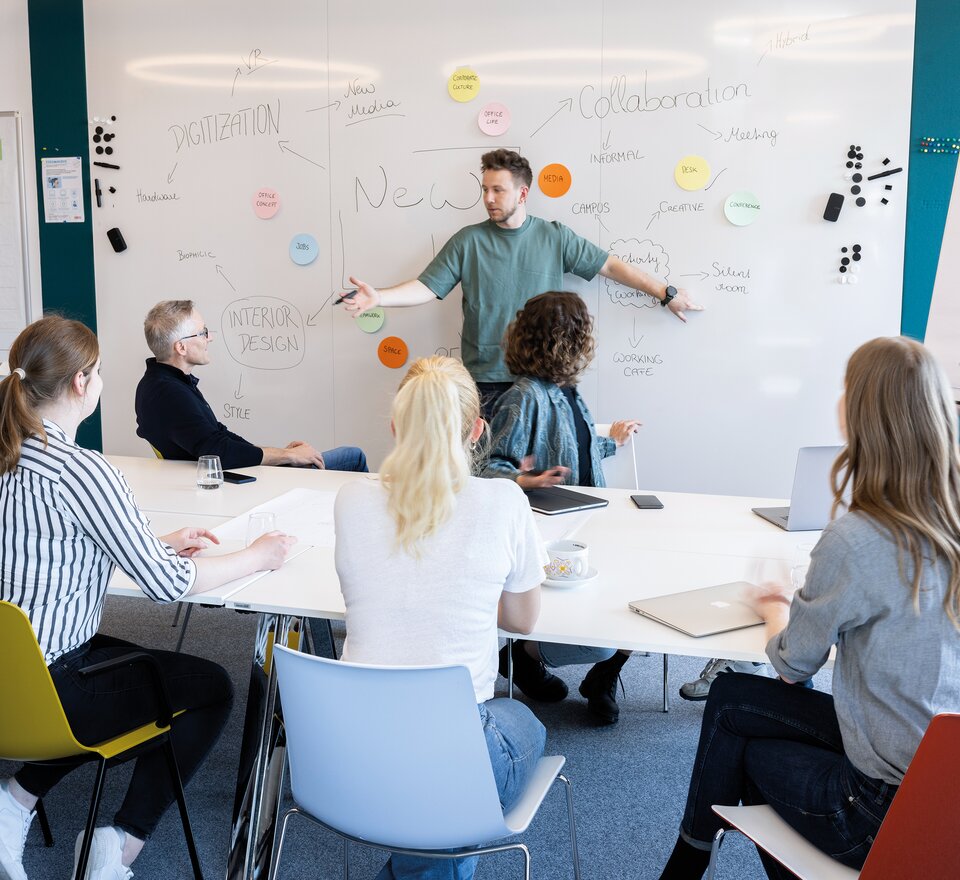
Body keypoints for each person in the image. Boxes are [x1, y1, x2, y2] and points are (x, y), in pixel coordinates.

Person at [0, 316, 296, 880]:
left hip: (9, 676)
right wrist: (259, 556)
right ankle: (120, 842)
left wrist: (149, 544)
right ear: (83, 382)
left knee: (121, 676)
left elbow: (44, 543)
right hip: (56, 687)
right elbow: (168, 585)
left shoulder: (8, 454)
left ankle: (14, 797)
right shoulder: (83, 471)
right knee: (210, 688)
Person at [657, 336, 960, 880]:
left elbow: (793, 667)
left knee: (743, 746)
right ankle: (684, 866)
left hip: (878, 814)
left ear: (863, 413)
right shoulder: (949, 523)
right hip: (945, 795)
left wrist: (776, 604)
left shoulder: (858, 539)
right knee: (729, 697)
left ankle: (683, 867)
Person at [334, 356, 547, 880]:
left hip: (348, 748)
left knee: (443, 772)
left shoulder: (350, 497)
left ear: (394, 426)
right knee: (525, 726)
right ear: (477, 430)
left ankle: (420, 856)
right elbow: (522, 622)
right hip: (450, 747)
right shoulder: (503, 500)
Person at [344, 149, 703, 419]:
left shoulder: (554, 237)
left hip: (543, 379)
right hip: (483, 382)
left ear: (523, 194)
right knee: (487, 475)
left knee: (541, 480)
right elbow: (427, 286)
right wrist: (380, 298)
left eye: (498, 190)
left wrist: (664, 293)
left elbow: (608, 265)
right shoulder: (468, 241)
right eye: (485, 189)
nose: (488, 199)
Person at [483, 292, 640, 725]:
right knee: (598, 616)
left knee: (635, 590)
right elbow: (486, 467)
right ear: (570, 338)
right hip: (555, 529)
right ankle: (524, 653)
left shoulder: (569, 392)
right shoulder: (525, 396)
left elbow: (580, 449)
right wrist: (522, 479)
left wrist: (614, 440)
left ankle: (600, 676)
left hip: (591, 517)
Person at [135, 300, 367, 472]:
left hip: (236, 473)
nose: (210, 338)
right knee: (354, 457)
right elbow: (217, 451)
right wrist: (288, 456)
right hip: (230, 483)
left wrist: (281, 456)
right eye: (203, 332)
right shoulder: (168, 393)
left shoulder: (166, 383)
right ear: (181, 348)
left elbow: (218, 435)